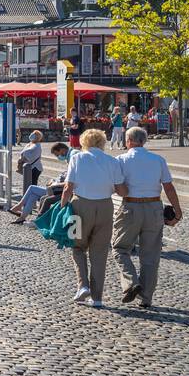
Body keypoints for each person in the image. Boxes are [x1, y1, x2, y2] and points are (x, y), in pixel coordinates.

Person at [113, 126, 183, 309]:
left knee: (120, 248)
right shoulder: (158, 159)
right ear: (143, 141)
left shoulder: (121, 160)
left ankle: (130, 282)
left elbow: (116, 186)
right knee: (151, 256)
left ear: (128, 141)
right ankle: (146, 298)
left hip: (131, 206)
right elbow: (168, 187)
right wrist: (177, 211)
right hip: (154, 207)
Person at [59, 128, 127, 307]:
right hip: (105, 206)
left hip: (80, 205)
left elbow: (68, 187)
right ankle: (97, 298)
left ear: (84, 142)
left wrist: (62, 206)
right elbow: (121, 190)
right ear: (102, 142)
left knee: (77, 246)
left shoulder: (77, 158)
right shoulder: (112, 161)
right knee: (99, 252)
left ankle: (83, 286)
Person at [9, 141, 70, 222]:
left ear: (62, 150)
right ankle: (22, 217)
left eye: (57, 154)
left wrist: (55, 184)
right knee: (33, 195)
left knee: (32, 188)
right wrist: (53, 180)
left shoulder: (71, 159)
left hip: (57, 190)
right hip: (55, 188)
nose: (58, 157)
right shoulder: (69, 160)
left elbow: (69, 182)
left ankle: (19, 206)